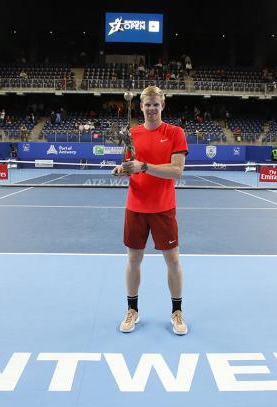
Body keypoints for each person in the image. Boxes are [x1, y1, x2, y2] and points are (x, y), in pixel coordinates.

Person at [111, 85, 189, 335]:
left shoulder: (175, 133)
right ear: (141, 107)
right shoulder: (131, 134)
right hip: (135, 206)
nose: (152, 108)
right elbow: (128, 164)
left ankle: (177, 312)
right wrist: (122, 170)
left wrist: (143, 166)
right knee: (133, 259)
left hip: (163, 207)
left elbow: (177, 171)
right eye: (148, 104)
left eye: (156, 104)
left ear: (162, 105)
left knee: (173, 260)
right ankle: (132, 310)